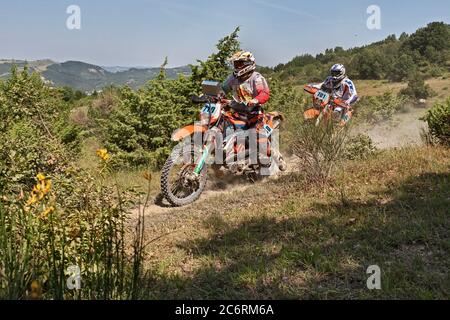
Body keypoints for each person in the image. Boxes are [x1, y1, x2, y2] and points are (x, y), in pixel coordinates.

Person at [220, 51, 287, 171]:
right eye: (235, 64)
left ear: (248, 64)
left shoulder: (256, 78)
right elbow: (223, 89)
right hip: (237, 114)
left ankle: (277, 157)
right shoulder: (233, 78)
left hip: (254, 115)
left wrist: (255, 100)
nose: (236, 67)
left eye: (239, 64)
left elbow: (264, 93)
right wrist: (215, 95)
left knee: (260, 141)